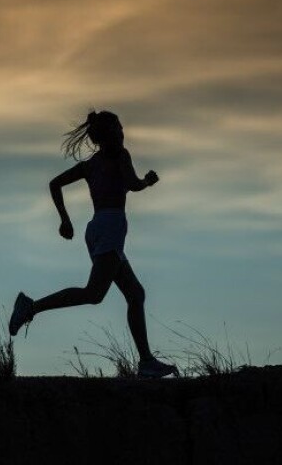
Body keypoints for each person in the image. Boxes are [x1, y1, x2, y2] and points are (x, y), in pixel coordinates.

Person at [9, 110, 178, 378]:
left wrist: (65, 220)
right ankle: (30, 307)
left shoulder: (91, 165)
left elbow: (55, 184)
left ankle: (146, 361)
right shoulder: (120, 156)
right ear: (109, 135)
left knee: (135, 294)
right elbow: (133, 185)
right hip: (110, 227)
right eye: (119, 130)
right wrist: (148, 181)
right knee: (93, 294)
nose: (123, 134)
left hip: (98, 228)